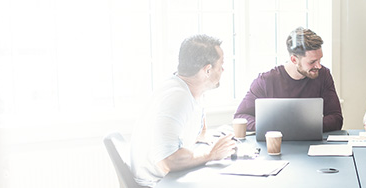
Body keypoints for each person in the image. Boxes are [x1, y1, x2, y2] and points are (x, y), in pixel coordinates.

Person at [130, 35, 237, 187]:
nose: (223, 70)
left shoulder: (188, 90)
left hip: (166, 178)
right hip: (156, 183)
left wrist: (207, 138)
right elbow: (167, 161)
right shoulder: (177, 98)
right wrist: (211, 154)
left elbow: (190, 131)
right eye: (221, 65)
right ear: (207, 70)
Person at [234, 27, 343, 132]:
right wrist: (273, 127)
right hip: (276, 144)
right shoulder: (266, 81)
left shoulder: (323, 75)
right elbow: (240, 117)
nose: (319, 66)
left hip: (313, 145)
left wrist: (304, 127)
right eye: (312, 62)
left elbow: (336, 118)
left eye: (320, 60)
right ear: (294, 60)